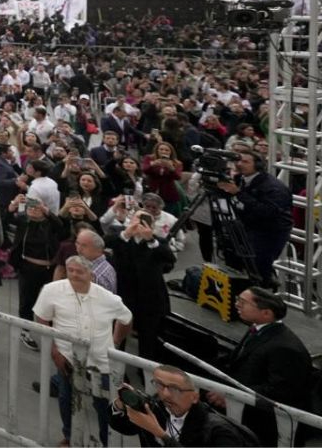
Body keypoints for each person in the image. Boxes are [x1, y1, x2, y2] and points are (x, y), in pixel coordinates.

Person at [34, 255, 134, 448]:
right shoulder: (52, 290)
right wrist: (55, 350)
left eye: (79, 272)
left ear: (91, 274)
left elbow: (126, 318)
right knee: (67, 398)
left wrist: (115, 340)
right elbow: (41, 317)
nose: (74, 275)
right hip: (68, 358)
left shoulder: (107, 298)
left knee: (104, 405)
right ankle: (70, 437)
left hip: (101, 361)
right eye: (70, 270)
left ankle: (107, 442)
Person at [206, 287, 313, 447]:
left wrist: (229, 395)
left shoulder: (285, 348)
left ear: (266, 313)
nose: (237, 305)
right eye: (238, 300)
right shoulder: (258, 329)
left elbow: (280, 391)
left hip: (268, 426)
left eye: (243, 302)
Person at [110, 365, 255, 447]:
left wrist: (160, 434)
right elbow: (124, 427)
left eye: (175, 389)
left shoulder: (219, 430)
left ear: (194, 397)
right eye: (159, 385)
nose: (165, 394)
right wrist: (119, 405)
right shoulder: (157, 407)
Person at [214, 152, 293, 283]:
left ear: (258, 165)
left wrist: (238, 193)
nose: (239, 164)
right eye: (238, 161)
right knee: (236, 259)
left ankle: (262, 292)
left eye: (245, 162)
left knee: (259, 266)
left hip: (270, 232)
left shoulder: (273, 187)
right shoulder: (240, 179)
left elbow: (267, 212)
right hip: (248, 226)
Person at [108, 211, 176, 362]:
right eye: (137, 218)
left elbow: (169, 258)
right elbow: (106, 242)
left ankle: (145, 370)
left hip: (149, 299)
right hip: (124, 296)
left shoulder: (158, 242)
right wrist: (127, 233)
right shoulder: (121, 236)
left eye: (145, 221)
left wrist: (151, 239)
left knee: (148, 338)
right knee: (118, 334)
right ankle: (116, 365)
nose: (140, 223)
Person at [8, 196, 68, 351]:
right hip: (28, 268)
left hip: (49, 269)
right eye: (31, 207)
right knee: (27, 300)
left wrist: (46, 211)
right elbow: (6, 218)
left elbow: (61, 227)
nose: (34, 210)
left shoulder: (49, 223)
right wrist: (15, 204)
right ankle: (25, 331)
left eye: (37, 207)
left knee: (53, 302)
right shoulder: (24, 222)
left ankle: (55, 335)